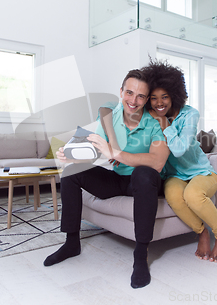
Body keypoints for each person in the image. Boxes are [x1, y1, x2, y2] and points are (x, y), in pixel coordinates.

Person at [43, 69, 169, 289]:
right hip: (118, 179)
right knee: (72, 171)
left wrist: (117, 154)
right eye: (129, 93)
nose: (133, 100)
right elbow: (95, 147)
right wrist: (70, 152)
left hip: (143, 182)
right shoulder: (110, 117)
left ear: (147, 99)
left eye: (140, 96)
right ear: (121, 92)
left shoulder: (155, 123)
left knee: (144, 172)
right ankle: (71, 243)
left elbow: (157, 162)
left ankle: (140, 256)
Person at [140, 59, 217, 262]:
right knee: (173, 195)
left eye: (164, 97)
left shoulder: (190, 114)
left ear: (175, 94)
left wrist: (164, 124)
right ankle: (201, 233)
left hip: (201, 172)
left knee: (194, 195)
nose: (159, 103)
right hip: (174, 175)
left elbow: (179, 149)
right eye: (153, 98)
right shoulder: (149, 117)